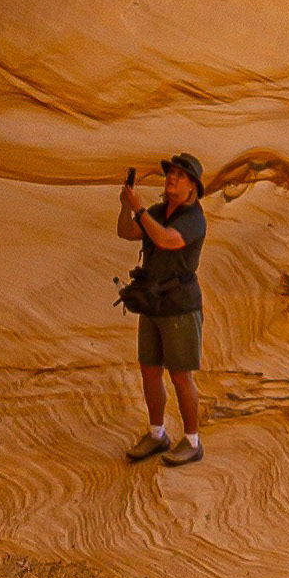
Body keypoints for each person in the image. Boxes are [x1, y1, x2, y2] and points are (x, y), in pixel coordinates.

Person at [117, 149, 207, 463]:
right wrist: (126, 207)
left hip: (180, 305)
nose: (172, 178)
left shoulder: (193, 218)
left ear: (192, 186)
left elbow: (167, 240)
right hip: (154, 302)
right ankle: (157, 435)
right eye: (171, 173)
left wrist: (139, 209)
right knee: (150, 370)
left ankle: (192, 441)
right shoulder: (157, 210)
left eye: (181, 175)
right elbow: (127, 231)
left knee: (181, 375)